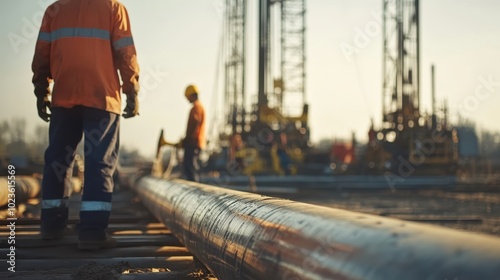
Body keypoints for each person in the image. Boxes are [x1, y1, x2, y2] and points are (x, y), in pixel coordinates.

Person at [32, 0, 140, 250]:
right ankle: (92, 232)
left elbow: (42, 53)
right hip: (101, 96)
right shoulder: (113, 8)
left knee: (58, 160)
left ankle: (52, 227)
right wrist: (132, 91)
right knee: (99, 161)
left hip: (64, 94)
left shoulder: (55, 10)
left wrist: (41, 89)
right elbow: (126, 53)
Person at [181, 85, 206, 182]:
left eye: (187, 97)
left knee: (190, 168)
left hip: (193, 142)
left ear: (191, 95)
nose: (187, 99)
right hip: (197, 141)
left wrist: (187, 138)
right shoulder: (200, 107)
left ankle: (194, 190)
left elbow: (195, 122)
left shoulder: (196, 107)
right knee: (191, 167)